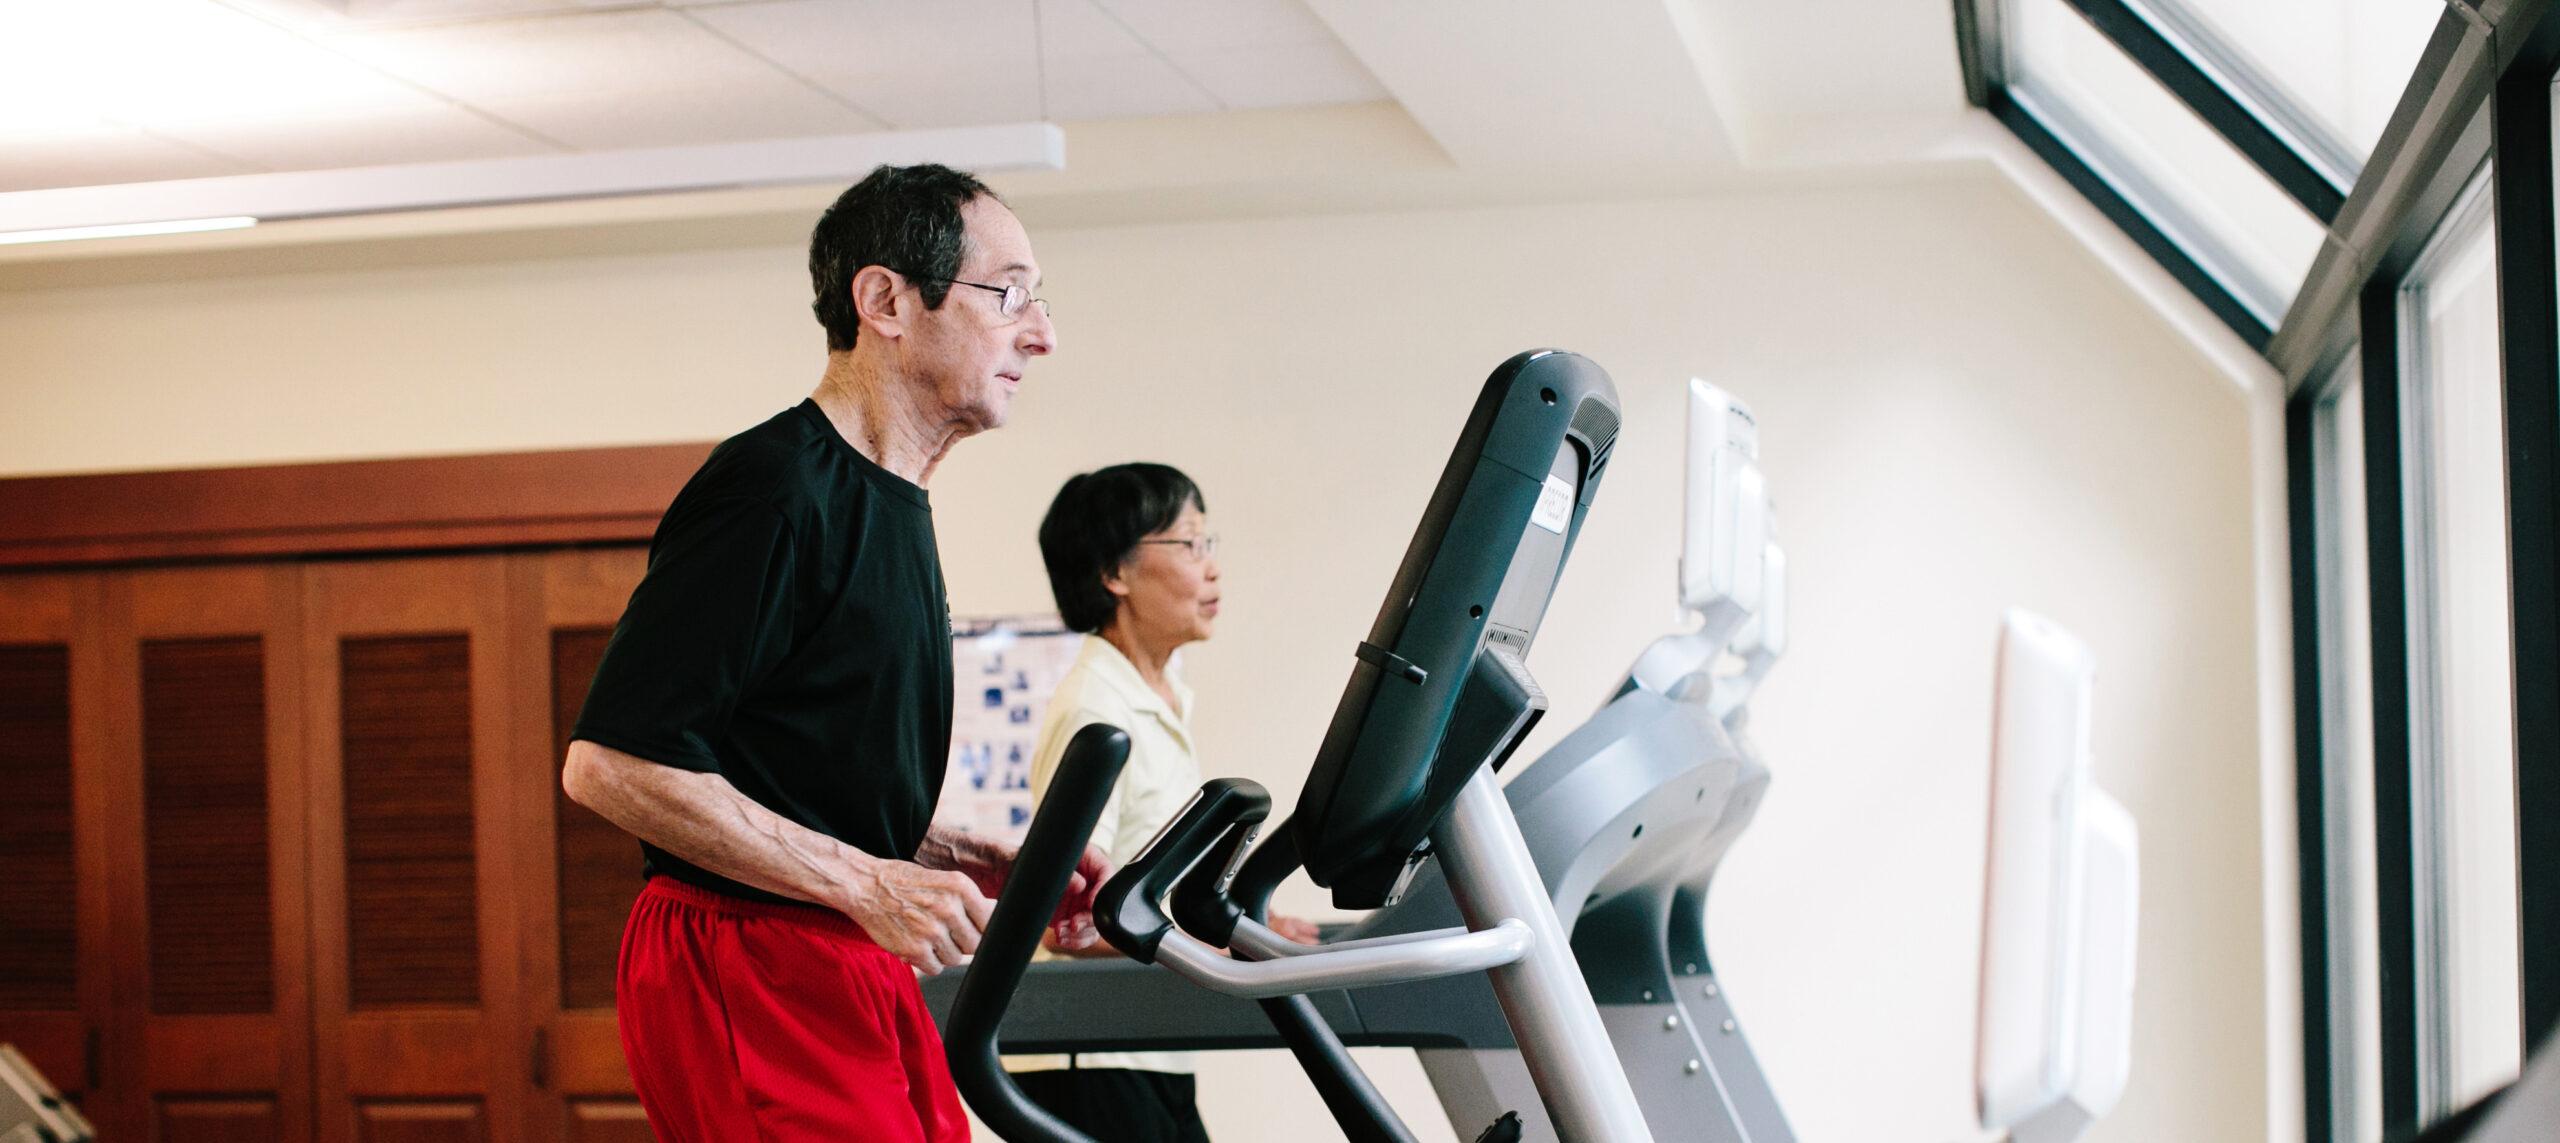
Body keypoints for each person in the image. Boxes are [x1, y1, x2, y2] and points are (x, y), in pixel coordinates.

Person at [560, 162, 1107, 1143]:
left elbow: (785, 752)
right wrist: (867, 880)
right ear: (886, 299)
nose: (1042, 332)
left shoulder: (889, 498)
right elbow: (613, 762)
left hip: (837, 943)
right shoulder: (774, 489)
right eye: (1008, 293)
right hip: (745, 957)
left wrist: (946, 851)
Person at [1006, 463, 1323, 1143]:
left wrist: (1243, 927)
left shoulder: (1159, 697)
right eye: (1188, 544)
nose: (1211, 569)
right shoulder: (1095, 710)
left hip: (1148, 1040)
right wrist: (1224, 941)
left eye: (1211, 543)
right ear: (1115, 574)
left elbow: (1151, 889)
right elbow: (1067, 922)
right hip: (1089, 1052)